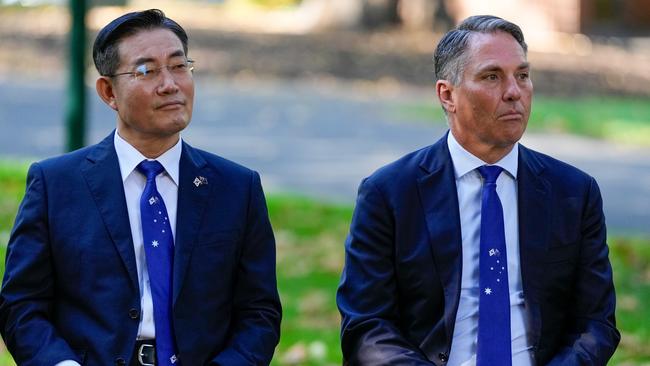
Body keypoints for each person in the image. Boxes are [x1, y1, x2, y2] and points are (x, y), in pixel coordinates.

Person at [0, 9, 281, 366]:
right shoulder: (56, 185)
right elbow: (21, 306)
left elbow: (260, 313)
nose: (170, 84)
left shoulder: (237, 188)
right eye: (147, 71)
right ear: (108, 91)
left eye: (179, 66)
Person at [337, 15, 619, 365]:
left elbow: (596, 324)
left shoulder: (574, 194)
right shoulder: (390, 194)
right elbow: (366, 325)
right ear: (447, 94)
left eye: (523, 75)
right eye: (491, 77)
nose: (514, 91)